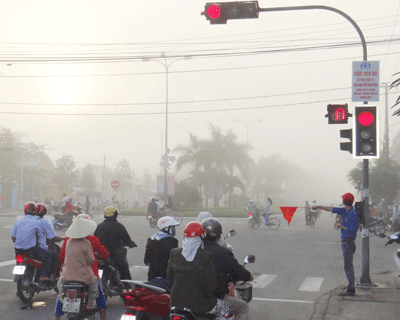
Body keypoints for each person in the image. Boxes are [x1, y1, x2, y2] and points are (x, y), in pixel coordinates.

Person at [167, 222, 229, 319]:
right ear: (200, 237)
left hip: (176, 302)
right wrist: (208, 295)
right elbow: (211, 283)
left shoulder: (174, 253)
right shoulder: (206, 255)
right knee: (224, 307)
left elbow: (170, 278)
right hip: (199, 304)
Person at [55, 213, 109, 320]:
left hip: (67, 275)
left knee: (61, 294)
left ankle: (57, 317)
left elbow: (61, 257)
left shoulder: (68, 240)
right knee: (99, 295)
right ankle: (102, 316)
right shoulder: (91, 240)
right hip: (88, 274)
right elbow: (100, 256)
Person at [201, 218, 252, 320]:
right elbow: (237, 269)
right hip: (213, 299)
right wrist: (248, 276)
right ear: (218, 236)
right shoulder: (223, 252)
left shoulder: (189, 250)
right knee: (243, 307)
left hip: (189, 298)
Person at [311, 192, 358, 296]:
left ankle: (350, 289)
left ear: (345, 201)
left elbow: (353, 229)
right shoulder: (344, 210)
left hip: (349, 243)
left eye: (343, 199)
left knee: (348, 267)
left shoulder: (352, 213)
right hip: (346, 243)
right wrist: (319, 206)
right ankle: (350, 286)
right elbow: (331, 209)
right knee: (348, 266)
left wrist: (340, 226)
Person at [57, 217, 99, 311]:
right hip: (84, 275)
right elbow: (91, 260)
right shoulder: (86, 243)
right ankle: (89, 303)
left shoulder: (68, 242)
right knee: (94, 285)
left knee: (60, 286)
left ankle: (63, 301)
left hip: (67, 275)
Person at [10, 202, 52, 282]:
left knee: (18, 260)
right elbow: (39, 236)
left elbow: (13, 236)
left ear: (24, 211)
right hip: (31, 251)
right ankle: (42, 276)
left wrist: (19, 243)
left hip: (18, 250)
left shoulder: (18, 221)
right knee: (48, 255)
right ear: (35, 212)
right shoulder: (36, 222)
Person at [94, 206, 137, 280]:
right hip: (115, 254)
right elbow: (126, 239)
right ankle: (127, 287)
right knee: (124, 270)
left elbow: (95, 239)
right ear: (115, 214)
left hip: (101, 254)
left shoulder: (99, 226)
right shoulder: (119, 226)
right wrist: (131, 244)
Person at [35, 203, 65, 280]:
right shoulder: (43, 221)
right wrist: (62, 238)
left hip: (27, 248)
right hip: (39, 247)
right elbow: (53, 236)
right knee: (54, 255)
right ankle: (50, 276)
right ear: (44, 212)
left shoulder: (30, 220)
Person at [144, 216, 179, 281]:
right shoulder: (173, 241)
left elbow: (146, 260)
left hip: (152, 276)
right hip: (166, 276)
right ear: (166, 228)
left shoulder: (151, 239)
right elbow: (175, 259)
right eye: (173, 227)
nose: (174, 229)